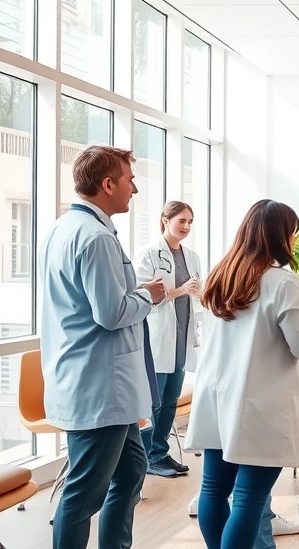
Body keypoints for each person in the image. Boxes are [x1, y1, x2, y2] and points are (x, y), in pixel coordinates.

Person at [40, 145, 166, 549]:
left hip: (96, 381)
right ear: (108, 184)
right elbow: (111, 314)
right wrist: (148, 295)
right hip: (98, 386)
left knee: (131, 471)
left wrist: (134, 292)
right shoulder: (95, 237)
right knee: (83, 494)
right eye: (130, 180)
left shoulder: (65, 227)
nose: (135, 189)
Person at [184, 199, 299, 549]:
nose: (294, 240)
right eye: (292, 233)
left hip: (217, 398)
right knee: (248, 499)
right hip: (261, 405)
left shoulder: (221, 276)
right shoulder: (283, 283)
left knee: (213, 490)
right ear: (279, 236)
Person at [135, 201, 202, 478]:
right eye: (181, 221)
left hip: (181, 337)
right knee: (154, 402)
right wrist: (180, 291)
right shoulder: (149, 253)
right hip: (158, 338)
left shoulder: (192, 257)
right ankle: (146, 458)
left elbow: (196, 292)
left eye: (190, 222)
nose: (186, 226)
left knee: (171, 399)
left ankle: (160, 453)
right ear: (165, 220)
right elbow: (141, 296)